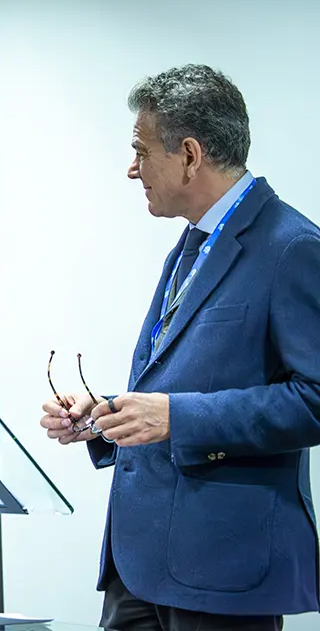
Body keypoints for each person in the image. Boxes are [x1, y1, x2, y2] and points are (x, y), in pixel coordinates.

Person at [40, 64, 320, 630]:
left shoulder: (293, 247)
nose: (132, 168)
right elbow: (176, 390)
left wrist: (175, 417)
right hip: (137, 567)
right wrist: (106, 420)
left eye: (141, 151)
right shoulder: (191, 244)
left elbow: (315, 398)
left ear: (190, 155)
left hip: (222, 569)